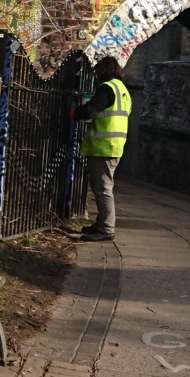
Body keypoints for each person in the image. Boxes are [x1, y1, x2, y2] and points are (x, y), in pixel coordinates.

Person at [73, 56, 131, 242]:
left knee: (103, 189)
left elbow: (92, 110)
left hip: (104, 146)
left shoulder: (107, 88)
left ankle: (106, 229)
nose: (96, 76)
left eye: (97, 72)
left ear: (104, 71)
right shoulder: (123, 90)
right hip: (116, 145)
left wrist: (75, 113)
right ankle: (101, 224)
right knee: (103, 186)